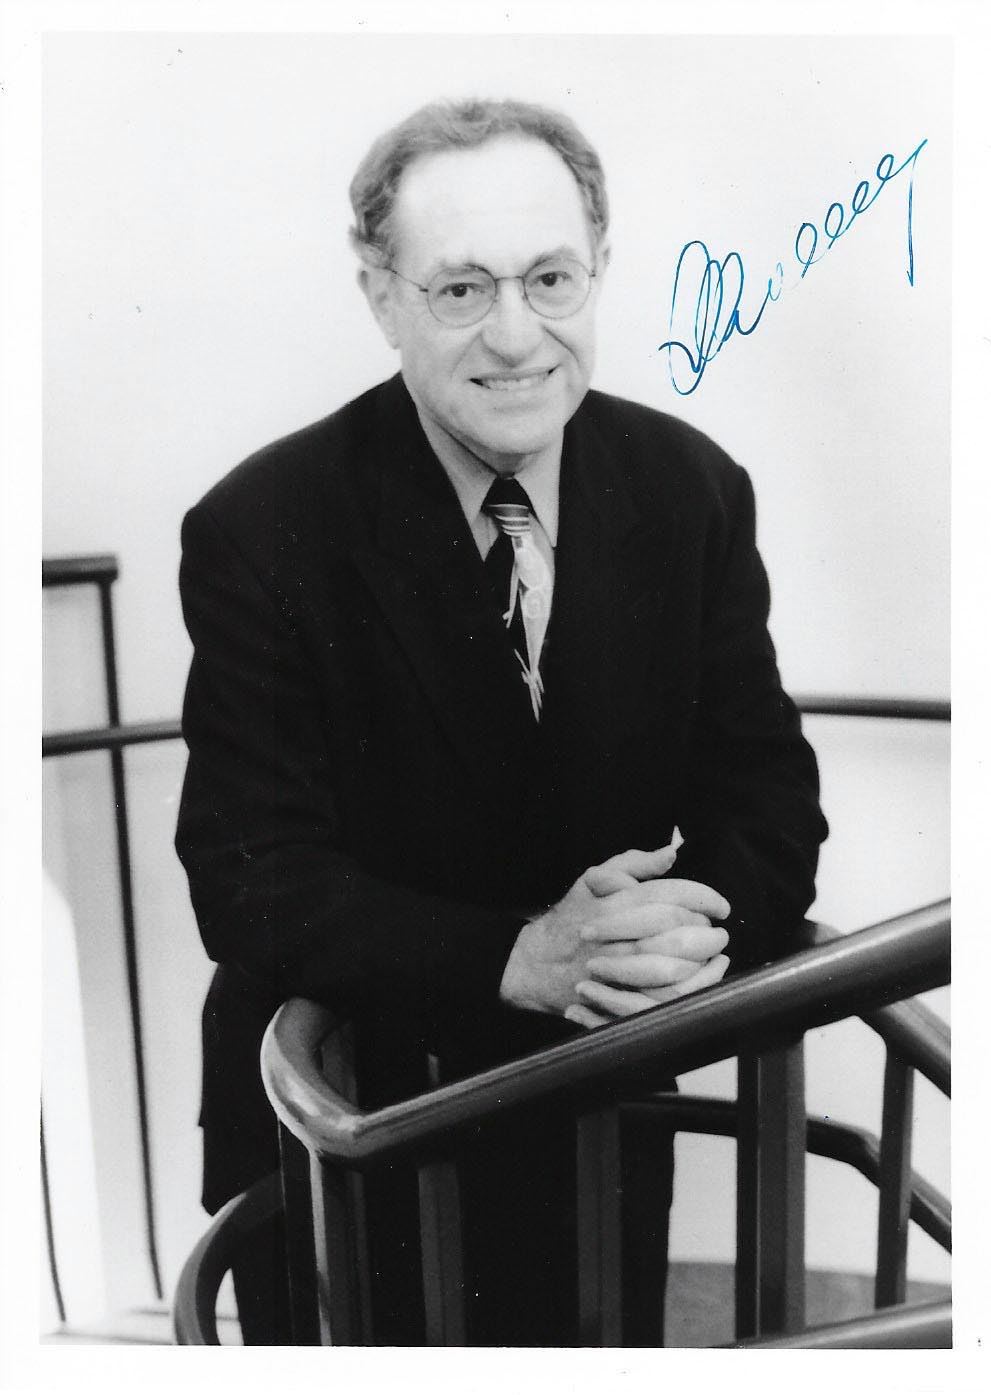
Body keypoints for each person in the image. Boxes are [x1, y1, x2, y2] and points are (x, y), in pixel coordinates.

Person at [175, 98, 828, 1346]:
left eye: (550, 278)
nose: (518, 335)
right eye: (462, 289)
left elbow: (768, 797)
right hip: (353, 1128)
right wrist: (517, 956)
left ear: (601, 269)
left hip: (595, 1112)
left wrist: (685, 940)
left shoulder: (689, 488)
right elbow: (248, 878)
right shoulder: (262, 526)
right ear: (381, 297)